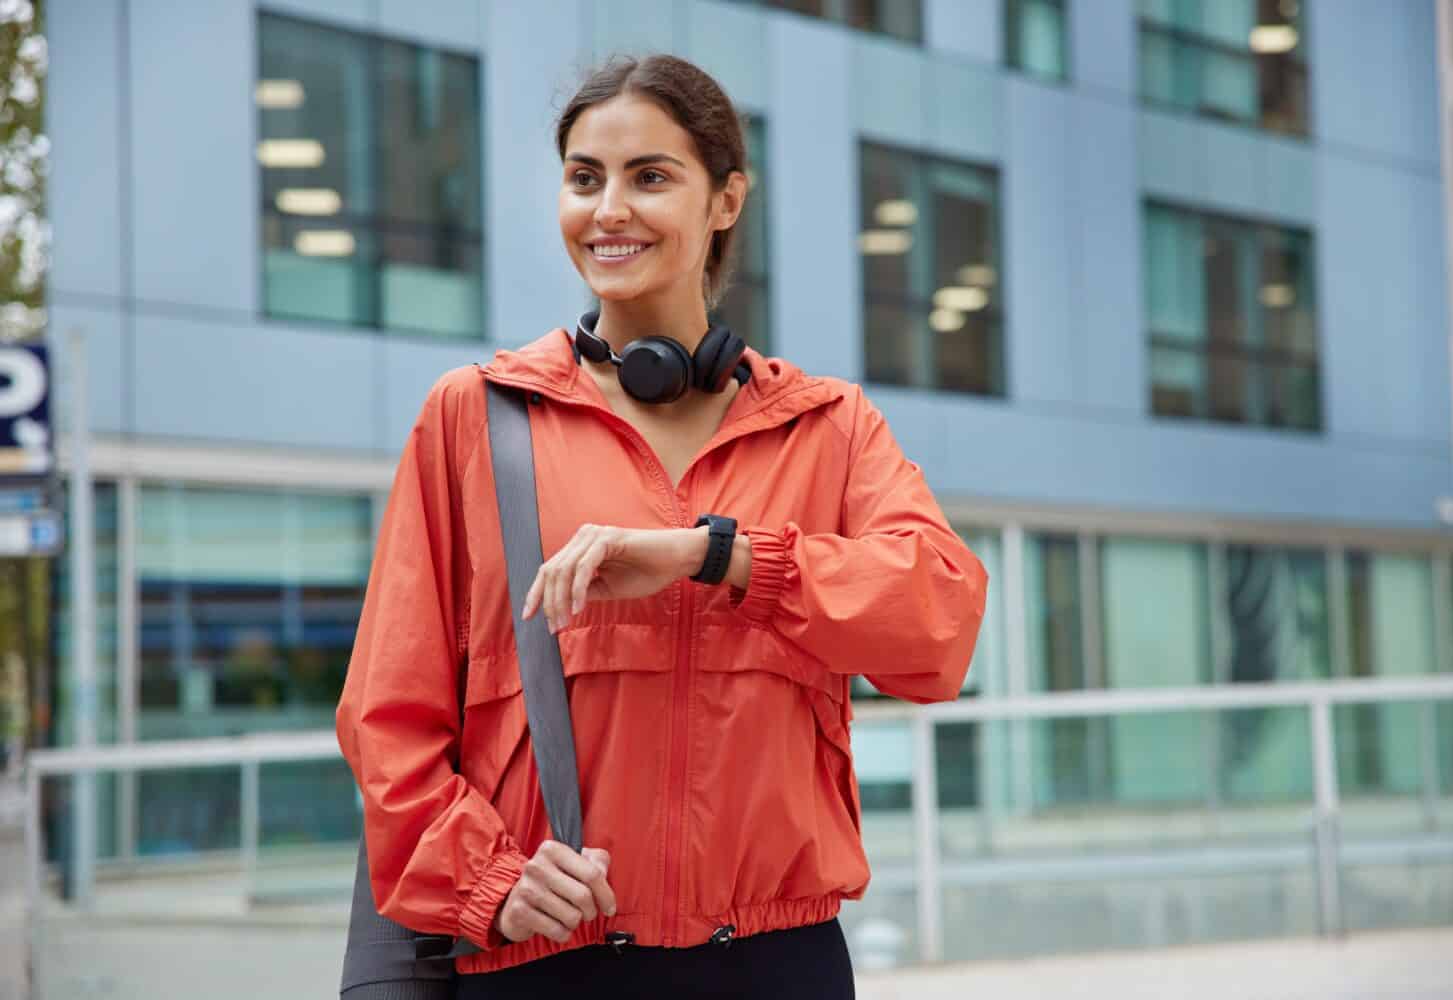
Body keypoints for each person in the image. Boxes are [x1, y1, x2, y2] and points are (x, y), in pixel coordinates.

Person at [334, 52, 988, 999]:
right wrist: (485, 881)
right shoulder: (475, 418)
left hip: (779, 961)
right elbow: (388, 712)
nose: (609, 211)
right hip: (551, 958)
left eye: (651, 177)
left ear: (726, 200)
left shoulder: (828, 427)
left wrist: (719, 556)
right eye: (584, 178)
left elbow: (939, 628)